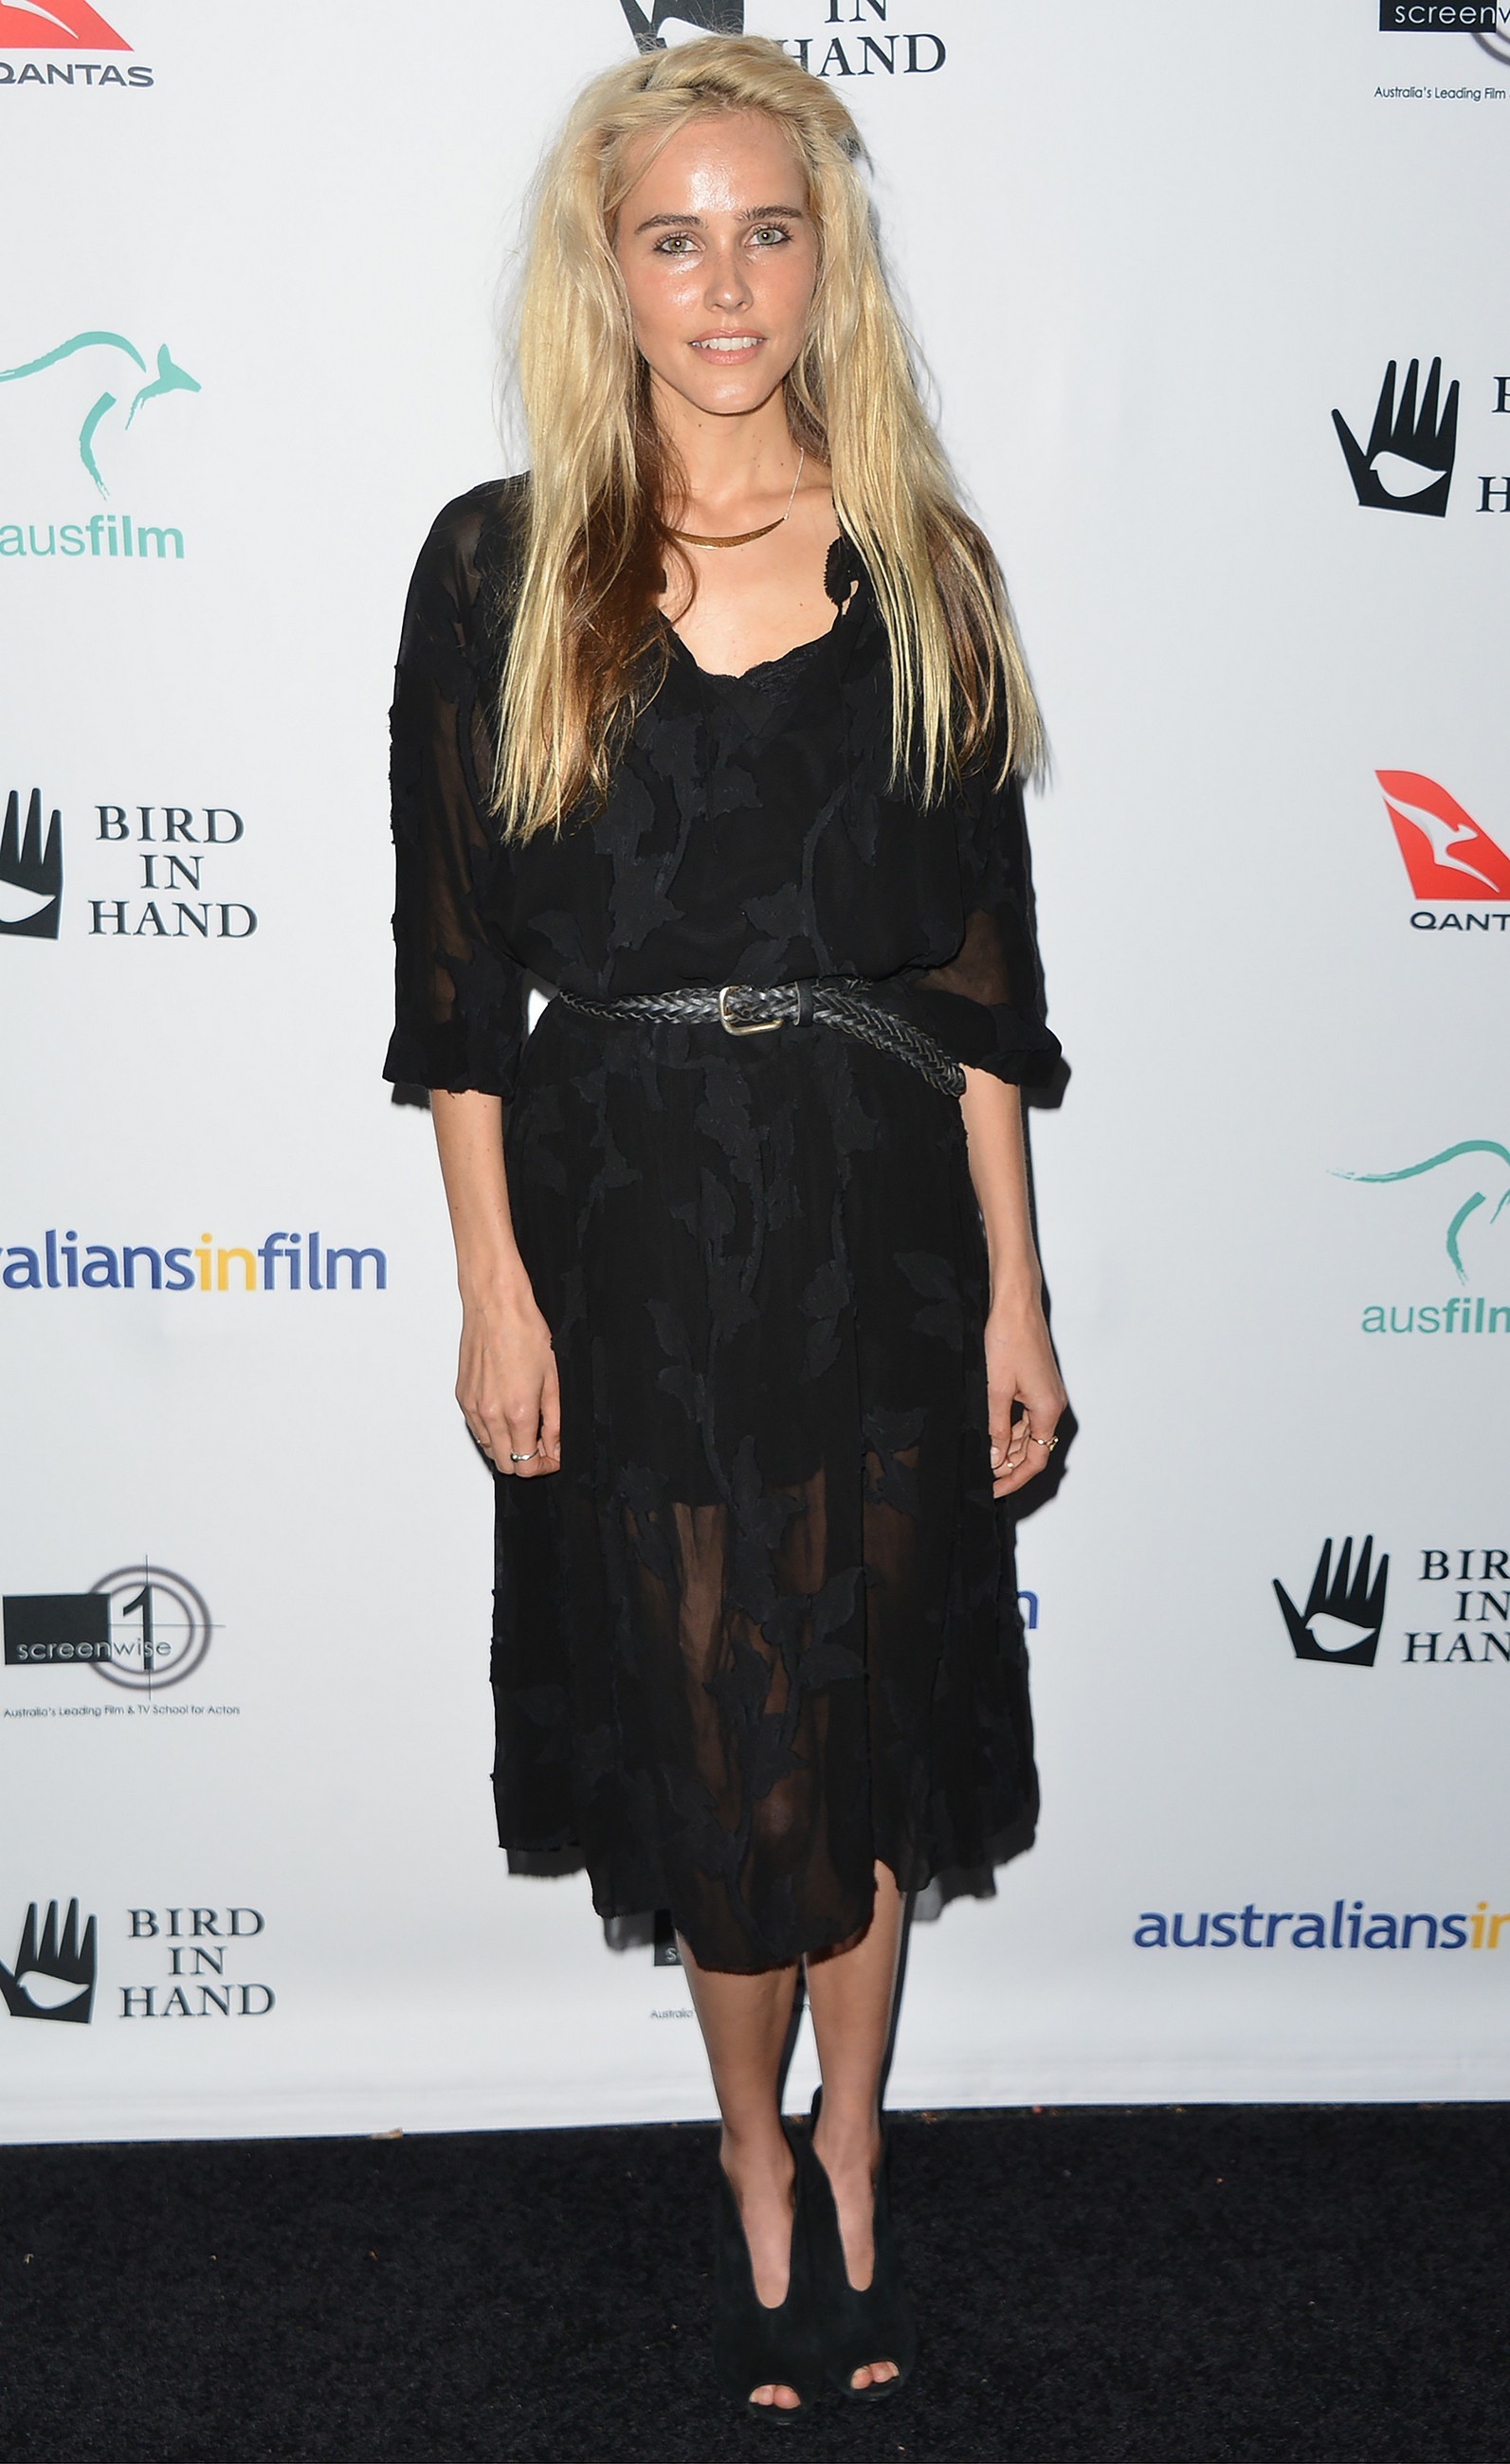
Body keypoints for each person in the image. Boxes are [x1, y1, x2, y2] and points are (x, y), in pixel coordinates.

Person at [385, 33, 1064, 2419]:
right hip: (629, 1226)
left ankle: (852, 2141)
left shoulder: (920, 562)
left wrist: (1015, 1291)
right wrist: (491, 1284)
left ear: (821, 256)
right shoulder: (498, 566)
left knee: (860, 1734)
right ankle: (747, 2151)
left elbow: (978, 980)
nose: (724, 283)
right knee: (718, 1738)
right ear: (608, 273)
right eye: (673, 239)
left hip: (876, 1219)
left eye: (764, 231)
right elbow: (455, 982)